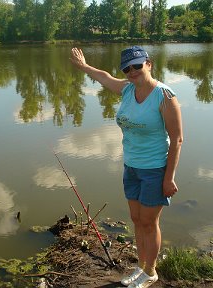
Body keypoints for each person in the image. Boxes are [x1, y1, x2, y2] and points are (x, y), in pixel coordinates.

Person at [70, 46, 183, 288]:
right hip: (131, 166)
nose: (132, 71)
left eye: (137, 66)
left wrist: (168, 178)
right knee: (136, 219)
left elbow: (177, 140)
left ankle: (150, 272)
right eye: (127, 68)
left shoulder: (165, 96)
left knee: (149, 222)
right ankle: (141, 266)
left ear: (148, 64)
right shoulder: (127, 89)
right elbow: (105, 77)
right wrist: (84, 67)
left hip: (155, 169)